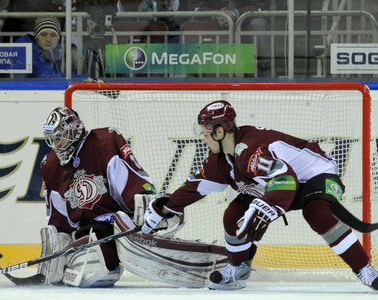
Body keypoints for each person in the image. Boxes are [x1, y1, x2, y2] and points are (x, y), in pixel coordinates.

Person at [141, 100, 378, 291]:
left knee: (316, 212)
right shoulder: (220, 160)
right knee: (233, 214)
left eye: (205, 132)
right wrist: (165, 208)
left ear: (221, 131)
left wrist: (271, 204)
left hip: (317, 175)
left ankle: (364, 269)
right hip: (278, 184)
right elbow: (195, 187)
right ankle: (238, 266)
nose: (203, 138)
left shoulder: (251, 149)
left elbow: (285, 176)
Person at [37, 106, 228, 288]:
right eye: (52, 140)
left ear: (74, 131)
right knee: (99, 269)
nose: (56, 145)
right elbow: (59, 217)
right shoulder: (50, 165)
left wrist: (146, 207)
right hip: (90, 231)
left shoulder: (104, 141)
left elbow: (132, 179)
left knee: (140, 215)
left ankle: (155, 226)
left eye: (60, 139)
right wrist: (61, 247)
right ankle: (84, 259)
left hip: (121, 221)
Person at [186, 0, 271, 77]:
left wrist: (236, 13)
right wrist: (217, 15)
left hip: (245, 25)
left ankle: (264, 72)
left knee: (258, 24)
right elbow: (195, 7)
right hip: (215, 27)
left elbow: (260, 5)